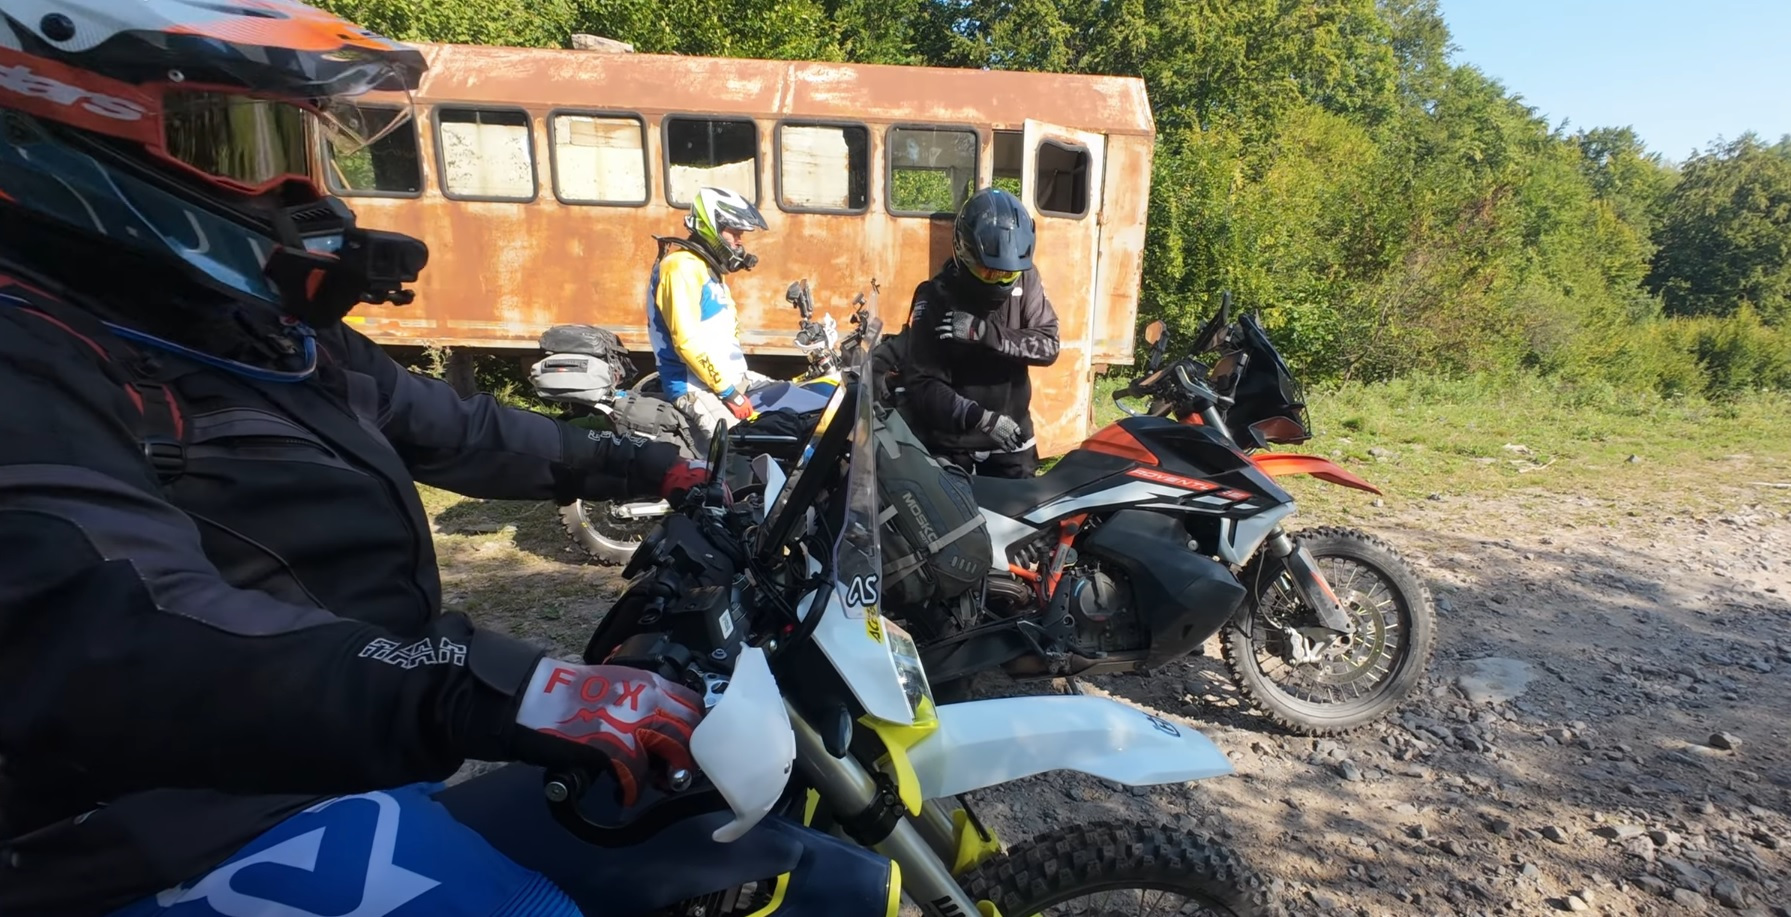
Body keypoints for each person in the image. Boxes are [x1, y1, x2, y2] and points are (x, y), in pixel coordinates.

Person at [0, 3, 726, 915]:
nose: (300, 192)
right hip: (147, 825)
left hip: (322, 759)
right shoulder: (31, 357)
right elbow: (129, 625)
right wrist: (490, 687)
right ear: (56, 125)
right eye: (237, 143)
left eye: (303, 145)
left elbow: (455, 428)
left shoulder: (251, 330)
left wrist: (647, 466)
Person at [902, 187, 1062, 478]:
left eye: (1007, 274)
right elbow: (922, 383)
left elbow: (1049, 345)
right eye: (988, 272)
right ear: (963, 254)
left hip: (1012, 438)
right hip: (952, 443)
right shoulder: (936, 296)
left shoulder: (1026, 278)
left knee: (1026, 507)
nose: (999, 281)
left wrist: (986, 334)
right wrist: (981, 418)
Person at [647, 186, 771, 455]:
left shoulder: (708, 268)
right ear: (712, 227)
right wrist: (729, 393)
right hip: (695, 387)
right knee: (738, 452)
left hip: (727, 379)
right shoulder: (680, 267)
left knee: (797, 409)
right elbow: (686, 341)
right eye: (734, 233)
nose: (739, 242)